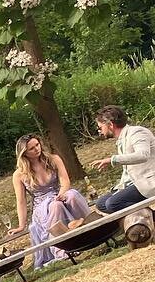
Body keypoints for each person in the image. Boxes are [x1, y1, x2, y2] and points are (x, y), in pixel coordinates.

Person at [11, 134, 92, 270]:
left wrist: (62, 193)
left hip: (59, 192)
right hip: (41, 205)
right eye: (31, 148)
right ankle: (61, 248)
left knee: (72, 195)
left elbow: (65, 181)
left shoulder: (53, 159)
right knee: (56, 206)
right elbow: (21, 201)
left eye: (37, 145)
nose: (37, 149)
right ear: (24, 153)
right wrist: (21, 225)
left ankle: (90, 229)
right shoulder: (19, 174)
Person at [92, 105, 155, 215]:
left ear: (110, 124)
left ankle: (150, 217)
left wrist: (113, 160)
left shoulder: (137, 132)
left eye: (100, 127)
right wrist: (120, 187)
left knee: (113, 204)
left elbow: (142, 155)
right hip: (133, 182)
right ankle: (143, 216)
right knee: (101, 203)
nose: (99, 131)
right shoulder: (122, 139)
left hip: (148, 181)